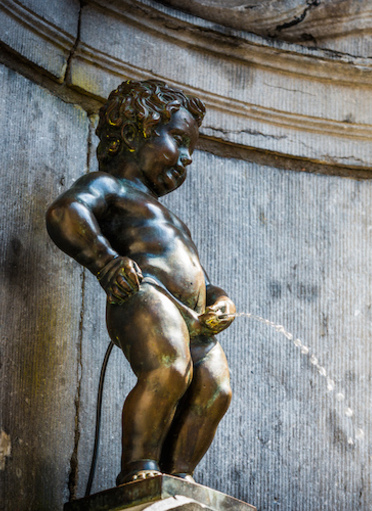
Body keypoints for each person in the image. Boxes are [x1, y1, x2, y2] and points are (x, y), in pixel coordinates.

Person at [46, 80, 235, 486]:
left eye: (191, 150)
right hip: (141, 292)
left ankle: (179, 476)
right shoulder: (109, 187)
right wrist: (106, 263)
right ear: (134, 133)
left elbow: (200, 278)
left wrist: (220, 302)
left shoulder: (172, 219)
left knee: (215, 389)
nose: (186, 159)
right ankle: (139, 468)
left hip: (192, 317)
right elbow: (66, 211)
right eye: (180, 141)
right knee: (168, 369)